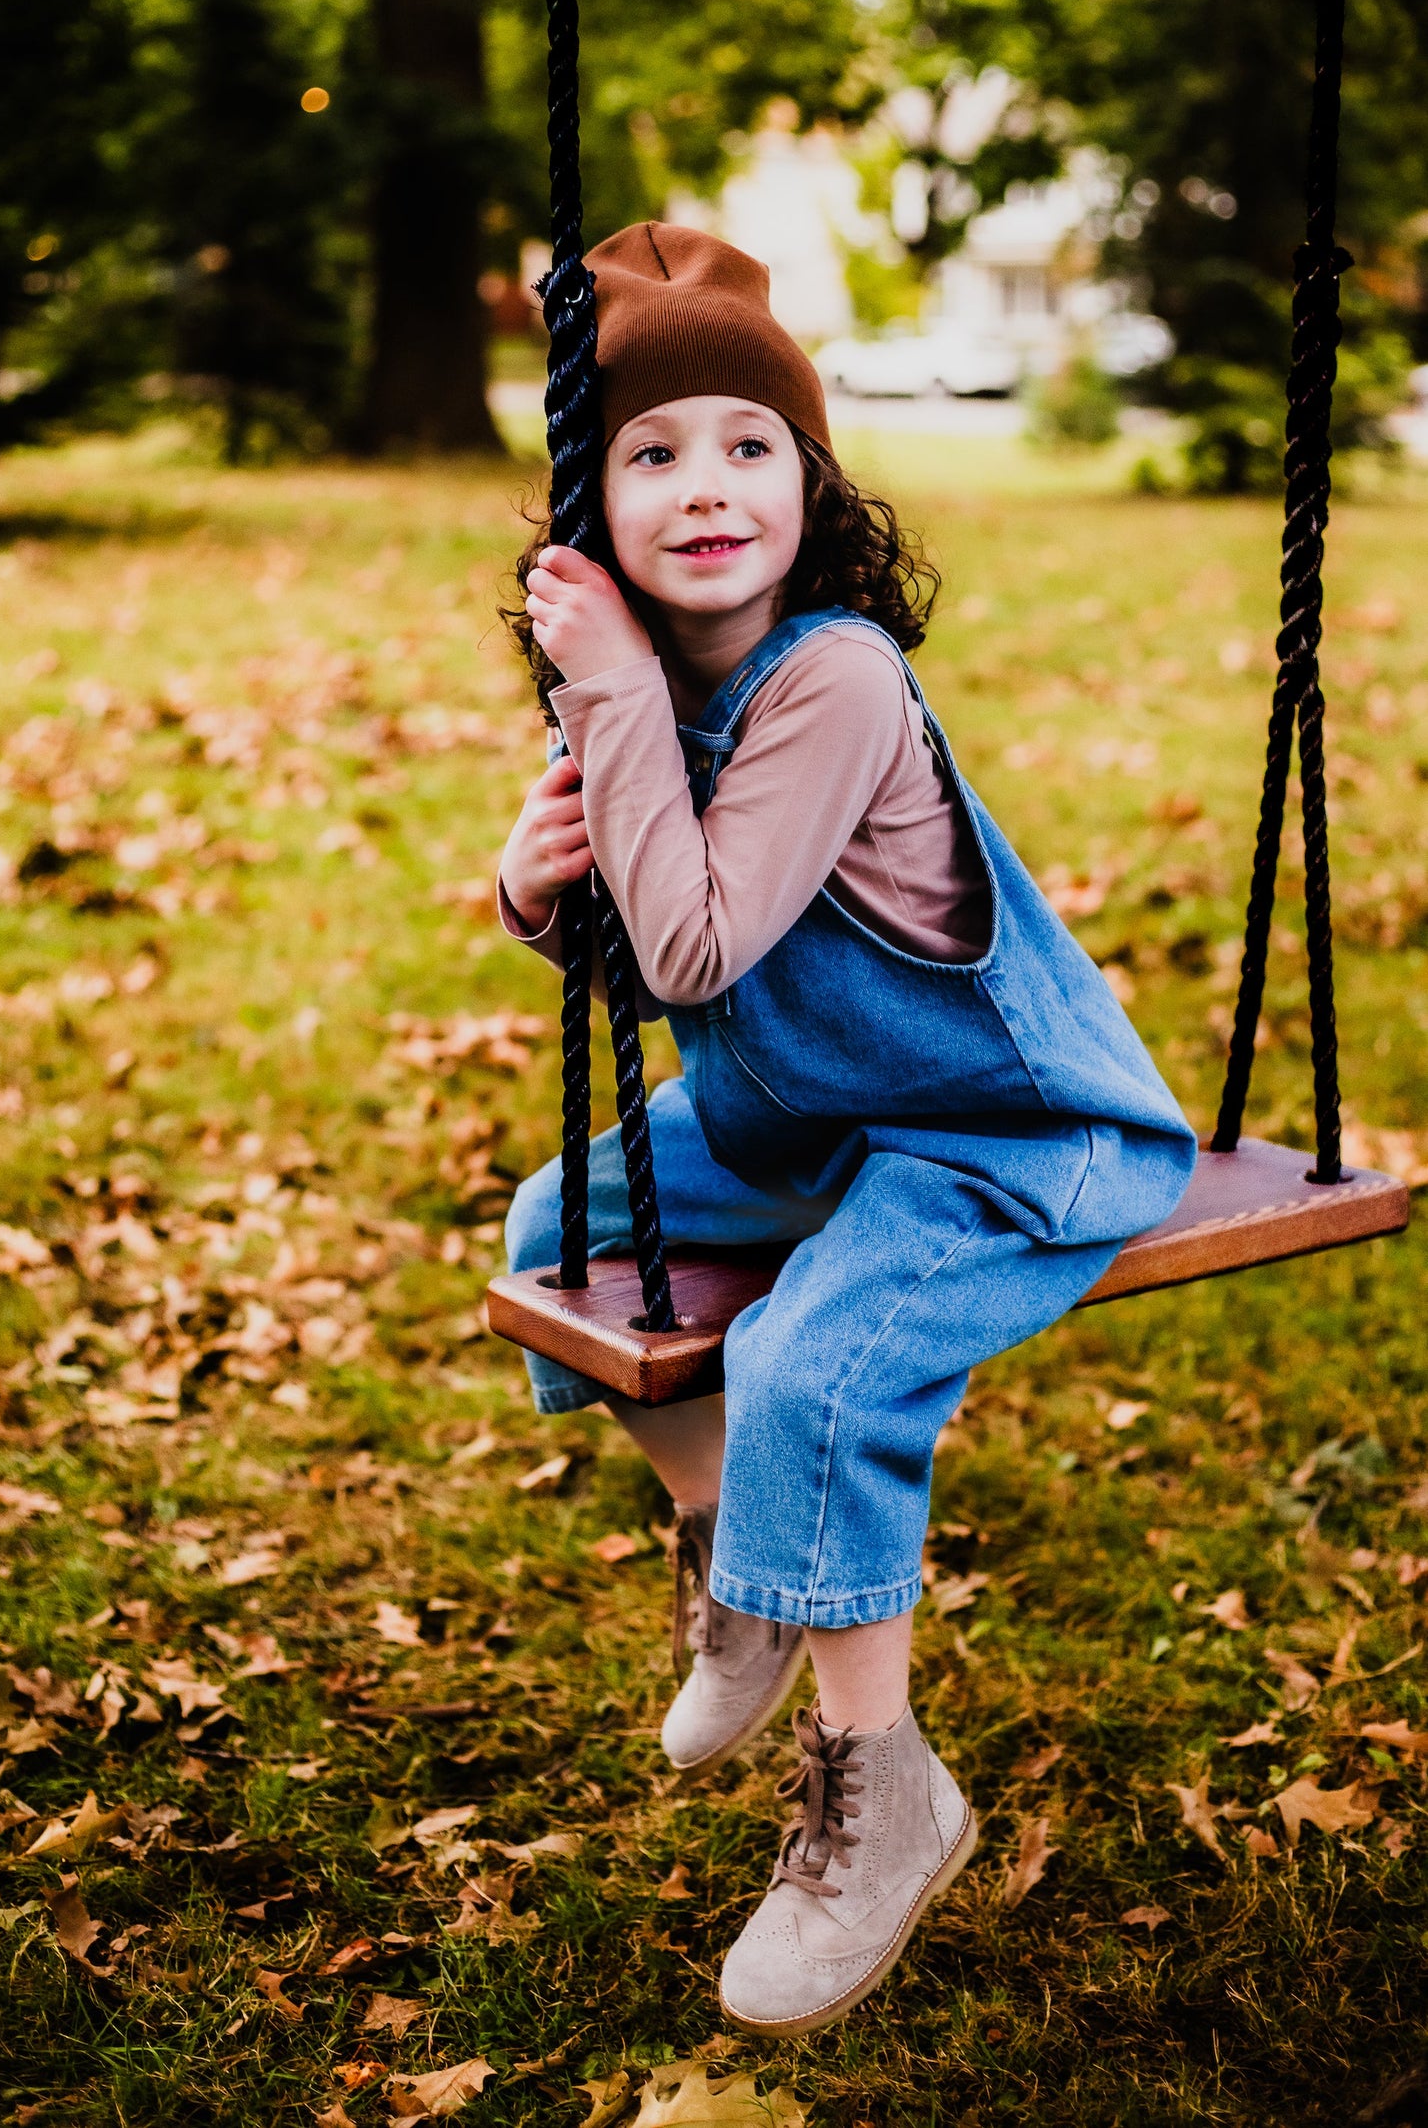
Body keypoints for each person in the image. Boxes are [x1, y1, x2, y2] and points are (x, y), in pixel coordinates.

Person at [495, 222, 1196, 2037]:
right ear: (590, 506)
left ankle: (883, 1793)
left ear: (811, 479)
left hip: (1007, 1133)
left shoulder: (835, 681)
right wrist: (529, 877)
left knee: (814, 1360)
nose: (707, 487)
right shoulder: (654, 690)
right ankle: (746, 1566)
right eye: (651, 453)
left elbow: (705, 933)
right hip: (801, 1114)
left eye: (750, 445)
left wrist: (621, 705)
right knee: (561, 1229)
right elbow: (640, 949)